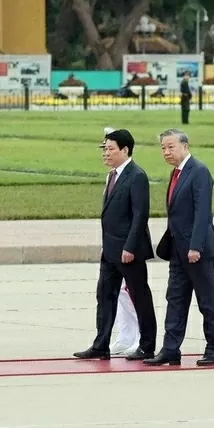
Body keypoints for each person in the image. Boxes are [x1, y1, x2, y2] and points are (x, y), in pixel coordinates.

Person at [74, 128, 157, 361]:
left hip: (129, 251)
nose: (106, 153)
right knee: (105, 296)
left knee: (139, 296)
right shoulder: (112, 175)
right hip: (110, 251)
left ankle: (147, 346)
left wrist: (129, 248)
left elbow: (140, 216)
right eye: (105, 149)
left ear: (125, 150)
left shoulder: (136, 176)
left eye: (110, 149)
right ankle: (101, 345)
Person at [145, 129, 214, 367]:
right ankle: (170, 349)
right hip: (178, 251)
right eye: (163, 148)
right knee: (175, 299)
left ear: (185, 146)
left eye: (171, 146)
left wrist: (196, 246)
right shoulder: (176, 173)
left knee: (207, 301)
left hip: (196, 250)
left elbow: (203, 213)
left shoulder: (199, 171)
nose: (166, 152)